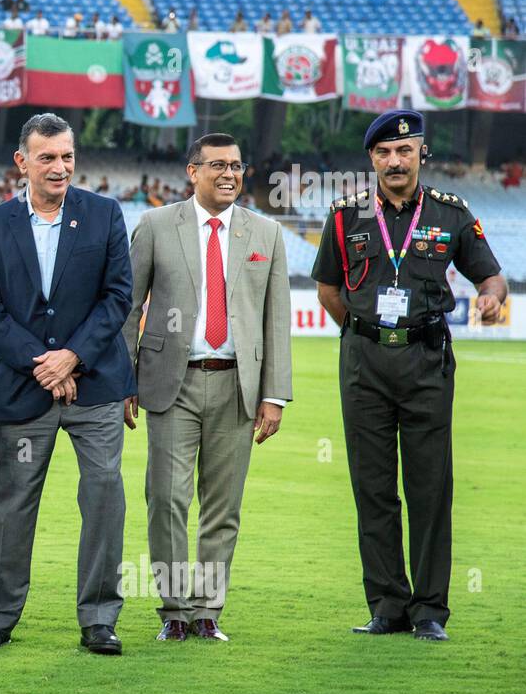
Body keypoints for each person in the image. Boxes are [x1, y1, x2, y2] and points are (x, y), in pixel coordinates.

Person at [312, 110, 505, 642]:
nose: (394, 161)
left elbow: (490, 275)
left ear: (422, 154)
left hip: (426, 362)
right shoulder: (344, 216)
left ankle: (429, 612)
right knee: (372, 488)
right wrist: (365, 332)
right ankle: (387, 607)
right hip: (364, 365)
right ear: (372, 159)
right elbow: (329, 288)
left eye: (404, 151)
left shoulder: (451, 214)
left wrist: (490, 297)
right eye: (383, 153)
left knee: (429, 488)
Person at [0, 113, 134, 656]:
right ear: (23, 162)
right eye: (47, 157)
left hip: (97, 386)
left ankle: (99, 619)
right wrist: (45, 364)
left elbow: (117, 297)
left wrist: (73, 358)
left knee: (105, 496)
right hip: (25, 386)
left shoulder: (105, 214)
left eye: (66, 156)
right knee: (11, 503)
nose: (59, 167)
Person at [122, 133, 292, 643]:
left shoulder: (267, 234)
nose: (228, 174)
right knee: (166, 498)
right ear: (191, 171)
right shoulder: (155, 225)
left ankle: (207, 612)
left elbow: (276, 320)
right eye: (217, 165)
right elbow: (129, 308)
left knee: (223, 507)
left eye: (236, 166)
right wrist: (124, 379)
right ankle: (174, 610)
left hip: (237, 387)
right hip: (171, 384)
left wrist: (274, 394)